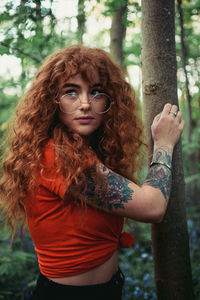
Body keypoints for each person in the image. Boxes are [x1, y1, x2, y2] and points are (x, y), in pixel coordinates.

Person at [0, 45, 184, 300]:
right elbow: (152, 207)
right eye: (71, 92)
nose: (85, 103)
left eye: (96, 91)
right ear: (51, 100)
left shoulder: (83, 151)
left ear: (110, 100)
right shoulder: (58, 157)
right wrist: (164, 144)